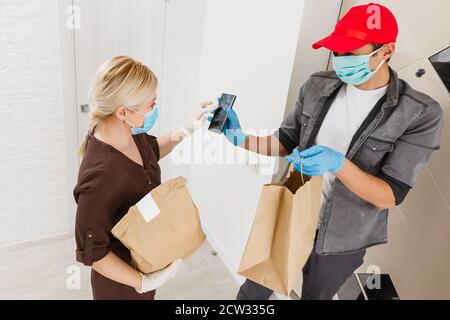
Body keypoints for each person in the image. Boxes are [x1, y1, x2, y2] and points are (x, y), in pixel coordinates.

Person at [216, 3, 444, 300]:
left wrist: (338, 163)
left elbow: (390, 195)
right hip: (293, 211)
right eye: (337, 51)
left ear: (386, 51)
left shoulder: (419, 113)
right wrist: (238, 137)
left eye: (351, 53)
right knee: (252, 293)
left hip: (342, 238)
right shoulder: (318, 85)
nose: (340, 61)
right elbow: (285, 140)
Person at [74, 56, 216, 300]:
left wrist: (185, 129)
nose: (154, 110)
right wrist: (142, 281)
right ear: (122, 112)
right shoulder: (100, 175)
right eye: (151, 104)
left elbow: (150, 155)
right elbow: (93, 253)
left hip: (145, 258)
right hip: (121, 284)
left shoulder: (130, 132)